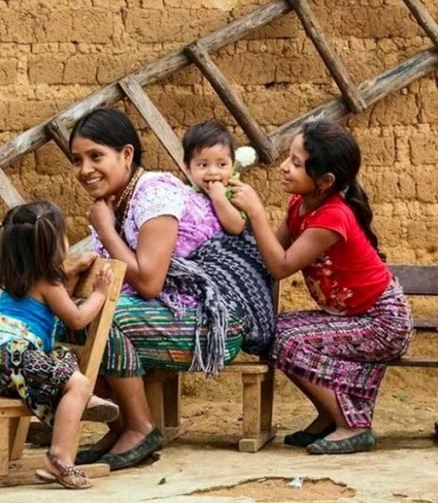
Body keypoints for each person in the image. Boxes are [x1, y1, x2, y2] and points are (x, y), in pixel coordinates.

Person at [68, 108, 274, 470]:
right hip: (174, 314)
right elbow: (118, 278)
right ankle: (120, 427)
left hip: (214, 323)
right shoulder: (117, 203)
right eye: (77, 159)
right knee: (76, 316)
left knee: (102, 315)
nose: (85, 169)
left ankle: (140, 427)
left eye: (96, 156)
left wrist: (105, 232)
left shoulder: (155, 195)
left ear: (127, 154)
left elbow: (147, 282)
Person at [230, 119, 413, 455]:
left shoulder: (332, 217)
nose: (284, 167)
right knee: (272, 332)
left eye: (297, 164)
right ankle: (329, 415)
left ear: (325, 181)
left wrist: (256, 212)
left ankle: (352, 423)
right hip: (353, 318)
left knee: (283, 339)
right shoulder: (300, 205)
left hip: (381, 322)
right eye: (289, 157)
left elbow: (281, 265)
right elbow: (267, 251)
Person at [0, 201, 116, 489]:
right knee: (77, 383)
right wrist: (100, 294)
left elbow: (53, 306)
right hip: (18, 355)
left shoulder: (15, 277)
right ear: (52, 245)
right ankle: (59, 457)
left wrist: (72, 273)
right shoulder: (48, 284)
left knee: (63, 364)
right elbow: (75, 319)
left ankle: (87, 401)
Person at [182, 120, 246, 234]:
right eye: (203, 165)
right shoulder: (185, 194)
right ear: (188, 168)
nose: (212, 172)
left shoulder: (236, 192)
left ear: (232, 165)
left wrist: (219, 199)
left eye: (222, 164)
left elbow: (237, 228)